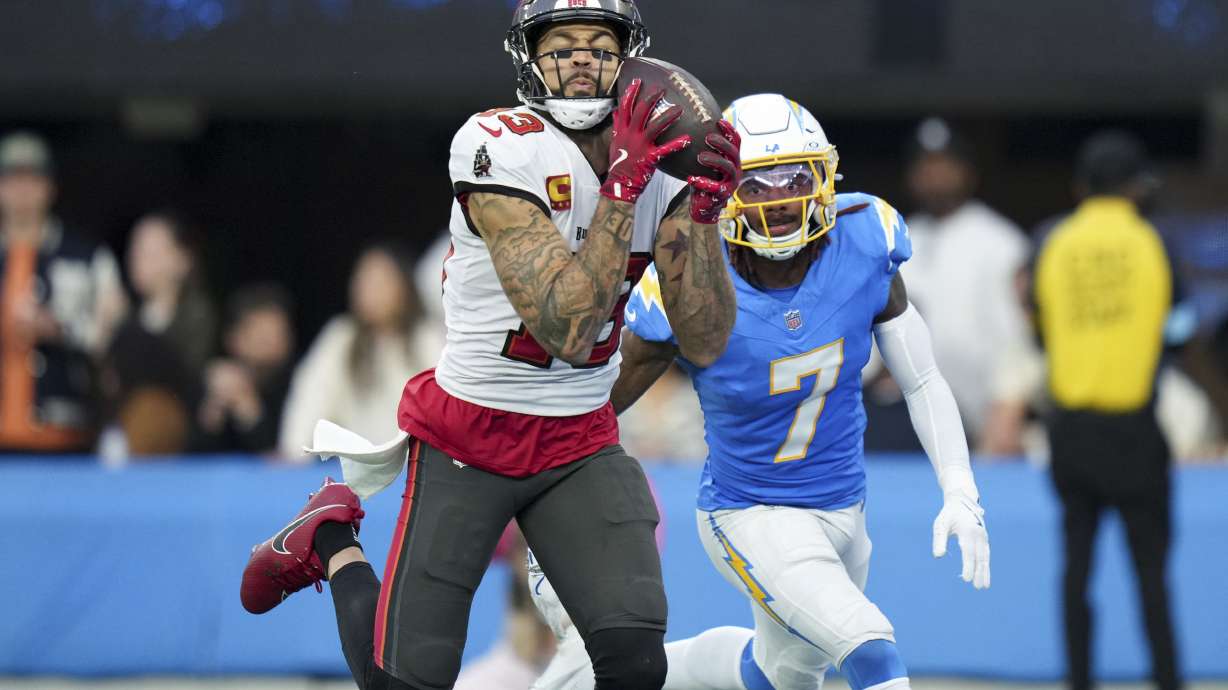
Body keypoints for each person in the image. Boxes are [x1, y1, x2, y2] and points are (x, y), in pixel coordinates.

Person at [239, 2, 740, 689]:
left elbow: (707, 339)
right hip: (470, 435)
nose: (583, 59)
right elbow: (564, 329)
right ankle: (329, 538)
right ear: (529, 57)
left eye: (600, 44)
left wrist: (706, 216)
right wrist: (622, 189)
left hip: (578, 439)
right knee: (403, 684)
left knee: (634, 661)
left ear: (631, 58)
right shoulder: (497, 142)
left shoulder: (662, 162)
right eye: (562, 45)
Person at [526, 93, 991, 690]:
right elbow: (600, 401)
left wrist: (960, 490)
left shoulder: (864, 238)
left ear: (825, 174)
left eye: (795, 176)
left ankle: (637, 674)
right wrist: (527, 461)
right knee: (871, 649)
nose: (779, 199)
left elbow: (923, 378)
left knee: (779, 675)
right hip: (749, 511)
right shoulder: (689, 274)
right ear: (721, 190)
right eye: (758, 183)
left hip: (846, 504)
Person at [1033, 130, 1183, 690]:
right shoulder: (1152, 242)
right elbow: (1181, 323)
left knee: (1076, 569)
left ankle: (1078, 681)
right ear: (1135, 187)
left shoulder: (1054, 242)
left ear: (1079, 186)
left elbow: (1040, 325)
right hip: (1135, 429)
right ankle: (1167, 679)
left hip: (1071, 430)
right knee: (1150, 573)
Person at [901, 118, 1030, 448]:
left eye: (944, 164)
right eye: (926, 166)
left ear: (967, 171)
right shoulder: (898, 239)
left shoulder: (1000, 241)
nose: (935, 175)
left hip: (991, 422)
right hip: (917, 422)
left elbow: (1018, 340)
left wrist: (1006, 412)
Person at [0, 130, 125, 454]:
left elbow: (115, 337)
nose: (22, 191)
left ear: (49, 187)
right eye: (12, 180)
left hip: (66, 433)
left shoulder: (87, 257)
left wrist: (57, 329)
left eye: (32, 180)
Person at [278, 241, 442, 459]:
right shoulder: (341, 338)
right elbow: (311, 397)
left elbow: (446, 410)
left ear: (404, 288)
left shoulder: (427, 339)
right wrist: (292, 451)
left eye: (380, 283)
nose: (369, 291)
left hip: (415, 469)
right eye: (363, 282)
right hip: (357, 473)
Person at [191, 283, 295, 453]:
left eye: (278, 332)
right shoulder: (215, 381)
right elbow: (190, 456)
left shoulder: (301, 385)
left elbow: (284, 455)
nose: (271, 341)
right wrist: (213, 409)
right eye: (261, 334)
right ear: (233, 338)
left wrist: (249, 409)